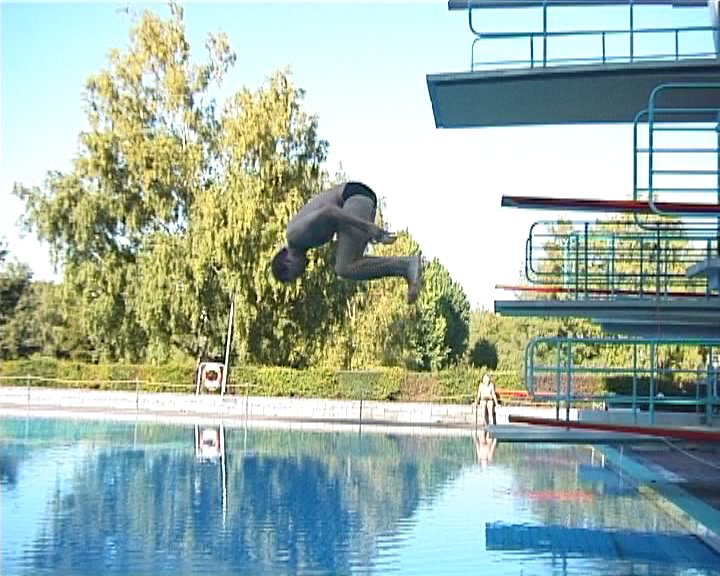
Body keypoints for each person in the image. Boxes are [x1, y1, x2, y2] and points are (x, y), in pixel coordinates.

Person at [271, 181, 423, 303]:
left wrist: (367, 227)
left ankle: (406, 265)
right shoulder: (305, 243)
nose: (300, 273)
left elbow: (329, 210)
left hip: (352, 196)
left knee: (343, 267)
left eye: (294, 274)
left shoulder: (294, 235)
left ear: (287, 262)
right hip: (356, 198)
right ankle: (406, 269)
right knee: (351, 264)